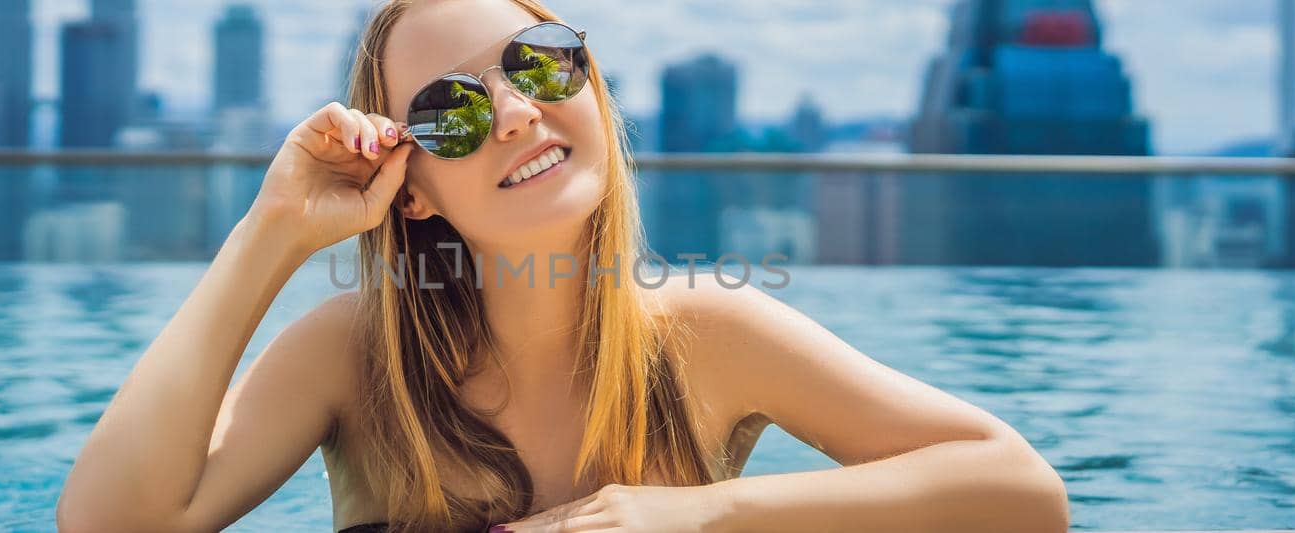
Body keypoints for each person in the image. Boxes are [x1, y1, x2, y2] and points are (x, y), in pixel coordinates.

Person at [56, 0, 1070, 531]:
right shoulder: (351, 354)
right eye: (448, 111)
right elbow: (111, 524)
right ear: (411, 189)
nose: (513, 110)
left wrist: (697, 513)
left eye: (539, 60)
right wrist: (269, 230)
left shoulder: (710, 334)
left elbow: (1019, 491)